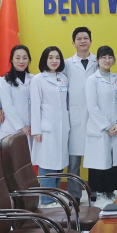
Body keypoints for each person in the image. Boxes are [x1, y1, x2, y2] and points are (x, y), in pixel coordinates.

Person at [84, 46, 117, 202]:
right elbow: (92, 106)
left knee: (116, 161)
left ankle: (113, 191)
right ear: (98, 60)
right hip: (100, 127)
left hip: (116, 126)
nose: (107, 60)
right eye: (103, 57)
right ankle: (99, 193)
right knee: (100, 161)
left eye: (110, 57)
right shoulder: (92, 80)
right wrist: (107, 126)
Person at [30, 46, 71, 206]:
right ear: (45, 60)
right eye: (51, 57)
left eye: (57, 58)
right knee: (47, 163)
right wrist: (36, 130)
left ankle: (55, 196)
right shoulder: (38, 79)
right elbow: (35, 106)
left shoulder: (63, 78)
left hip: (62, 128)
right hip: (46, 128)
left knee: (59, 163)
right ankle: (46, 200)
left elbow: (65, 104)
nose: (54, 61)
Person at [62, 26, 96, 203]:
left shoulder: (98, 61)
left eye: (86, 38)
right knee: (74, 161)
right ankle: (74, 194)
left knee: (95, 158)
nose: (83, 41)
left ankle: (95, 190)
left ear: (90, 41)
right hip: (74, 117)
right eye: (79, 39)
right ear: (73, 43)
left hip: (94, 117)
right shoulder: (66, 64)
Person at [0, 45, 33, 150]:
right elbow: (7, 106)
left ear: (29, 60)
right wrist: (22, 126)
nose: (21, 61)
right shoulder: (5, 81)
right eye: (17, 58)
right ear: (12, 60)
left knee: (29, 159)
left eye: (25, 58)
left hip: (31, 130)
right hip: (12, 129)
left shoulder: (34, 79)